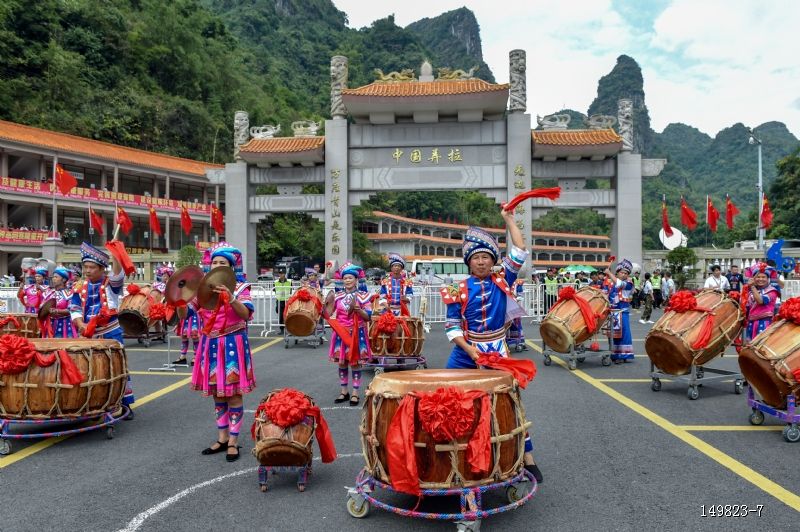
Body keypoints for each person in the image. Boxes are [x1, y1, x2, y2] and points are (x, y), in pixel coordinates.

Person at [440, 208, 542, 483]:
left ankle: (527, 457)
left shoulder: (502, 280)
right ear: (469, 263)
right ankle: (452, 455)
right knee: (446, 396)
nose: (482, 262)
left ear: (492, 261)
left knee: (509, 402)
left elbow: (520, 249)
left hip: (496, 350)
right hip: (465, 351)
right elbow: (451, 326)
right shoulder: (456, 289)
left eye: (486, 257)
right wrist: (468, 348)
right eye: (476, 258)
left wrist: (508, 218)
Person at [186, 242, 256, 462]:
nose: (216, 265)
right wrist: (178, 297)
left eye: (222, 263)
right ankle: (222, 437)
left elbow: (245, 314)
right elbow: (184, 314)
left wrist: (230, 296)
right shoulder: (202, 289)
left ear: (231, 267)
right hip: (211, 345)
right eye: (214, 262)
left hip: (233, 344)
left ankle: (234, 441)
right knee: (217, 393)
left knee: (234, 394)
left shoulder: (241, 288)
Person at [69, 243, 134, 411]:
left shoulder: (111, 285)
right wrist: (80, 324)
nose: (88, 270)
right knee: (88, 369)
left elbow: (118, 274)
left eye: (92, 267)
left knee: (117, 367)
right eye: (85, 267)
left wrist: (115, 252)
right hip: (88, 334)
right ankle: (93, 403)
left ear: (102, 269)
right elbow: (74, 308)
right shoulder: (79, 286)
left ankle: (124, 404)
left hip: (110, 332)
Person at [325, 262, 372, 406]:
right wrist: (325, 304)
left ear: (356, 280)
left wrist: (358, 310)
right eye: (345, 278)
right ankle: (344, 391)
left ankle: (355, 393)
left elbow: (368, 316)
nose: (348, 280)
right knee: (342, 362)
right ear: (342, 280)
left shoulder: (364, 296)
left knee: (355, 363)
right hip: (341, 332)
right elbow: (328, 313)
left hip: (357, 333)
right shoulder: (337, 296)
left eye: (350, 278)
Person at [605, 259, 635, 363]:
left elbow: (619, 284)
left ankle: (624, 355)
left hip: (623, 312)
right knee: (615, 334)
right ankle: (616, 355)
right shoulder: (610, 284)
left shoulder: (629, 283)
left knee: (624, 333)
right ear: (617, 273)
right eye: (621, 272)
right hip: (613, 312)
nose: (624, 275)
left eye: (626, 273)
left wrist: (609, 273)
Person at [744, 267, 779, 340]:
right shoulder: (751, 291)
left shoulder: (772, 291)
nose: (761, 279)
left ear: (767, 279)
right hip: (751, 323)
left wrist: (752, 286)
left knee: (760, 347)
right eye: (758, 277)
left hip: (765, 323)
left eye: (763, 277)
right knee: (749, 347)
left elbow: (760, 301)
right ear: (754, 279)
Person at [42, 267, 76, 338]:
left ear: (64, 279)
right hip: (50, 324)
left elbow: (72, 310)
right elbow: (42, 306)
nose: (53, 279)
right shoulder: (49, 292)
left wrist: (57, 311)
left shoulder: (70, 293)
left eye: (56, 277)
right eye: (53, 277)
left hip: (65, 324)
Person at [506, 276, 527, 350]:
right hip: (504, 307)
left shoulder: (518, 283)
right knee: (505, 326)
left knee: (517, 324)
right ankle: (505, 341)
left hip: (514, 306)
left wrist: (514, 300)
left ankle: (520, 342)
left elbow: (520, 295)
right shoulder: (501, 281)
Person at [274, 270, 291, 334]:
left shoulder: (289, 281)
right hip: (279, 300)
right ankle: (281, 329)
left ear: (284, 274)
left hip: (287, 300)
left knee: (288, 315)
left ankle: (289, 328)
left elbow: (291, 290)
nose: (280, 275)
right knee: (280, 315)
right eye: (279, 273)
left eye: (282, 273)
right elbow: (275, 290)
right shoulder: (275, 282)